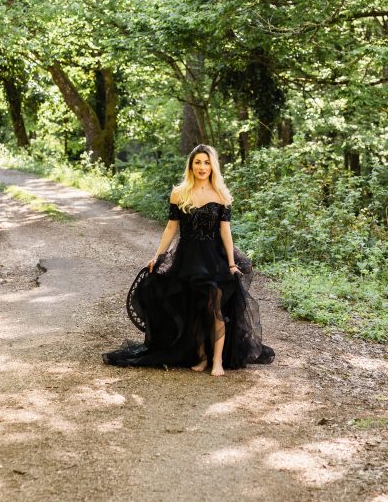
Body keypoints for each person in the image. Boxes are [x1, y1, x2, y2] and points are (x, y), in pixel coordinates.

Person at [102, 144, 275, 376]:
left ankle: (217, 360)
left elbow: (226, 232)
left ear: (212, 166)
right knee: (194, 307)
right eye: (198, 162)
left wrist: (232, 263)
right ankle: (202, 357)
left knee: (215, 308)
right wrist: (158, 256)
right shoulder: (179, 193)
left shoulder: (221, 194)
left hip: (214, 257)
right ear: (191, 166)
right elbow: (170, 228)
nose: (202, 167)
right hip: (188, 257)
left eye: (207, 163)